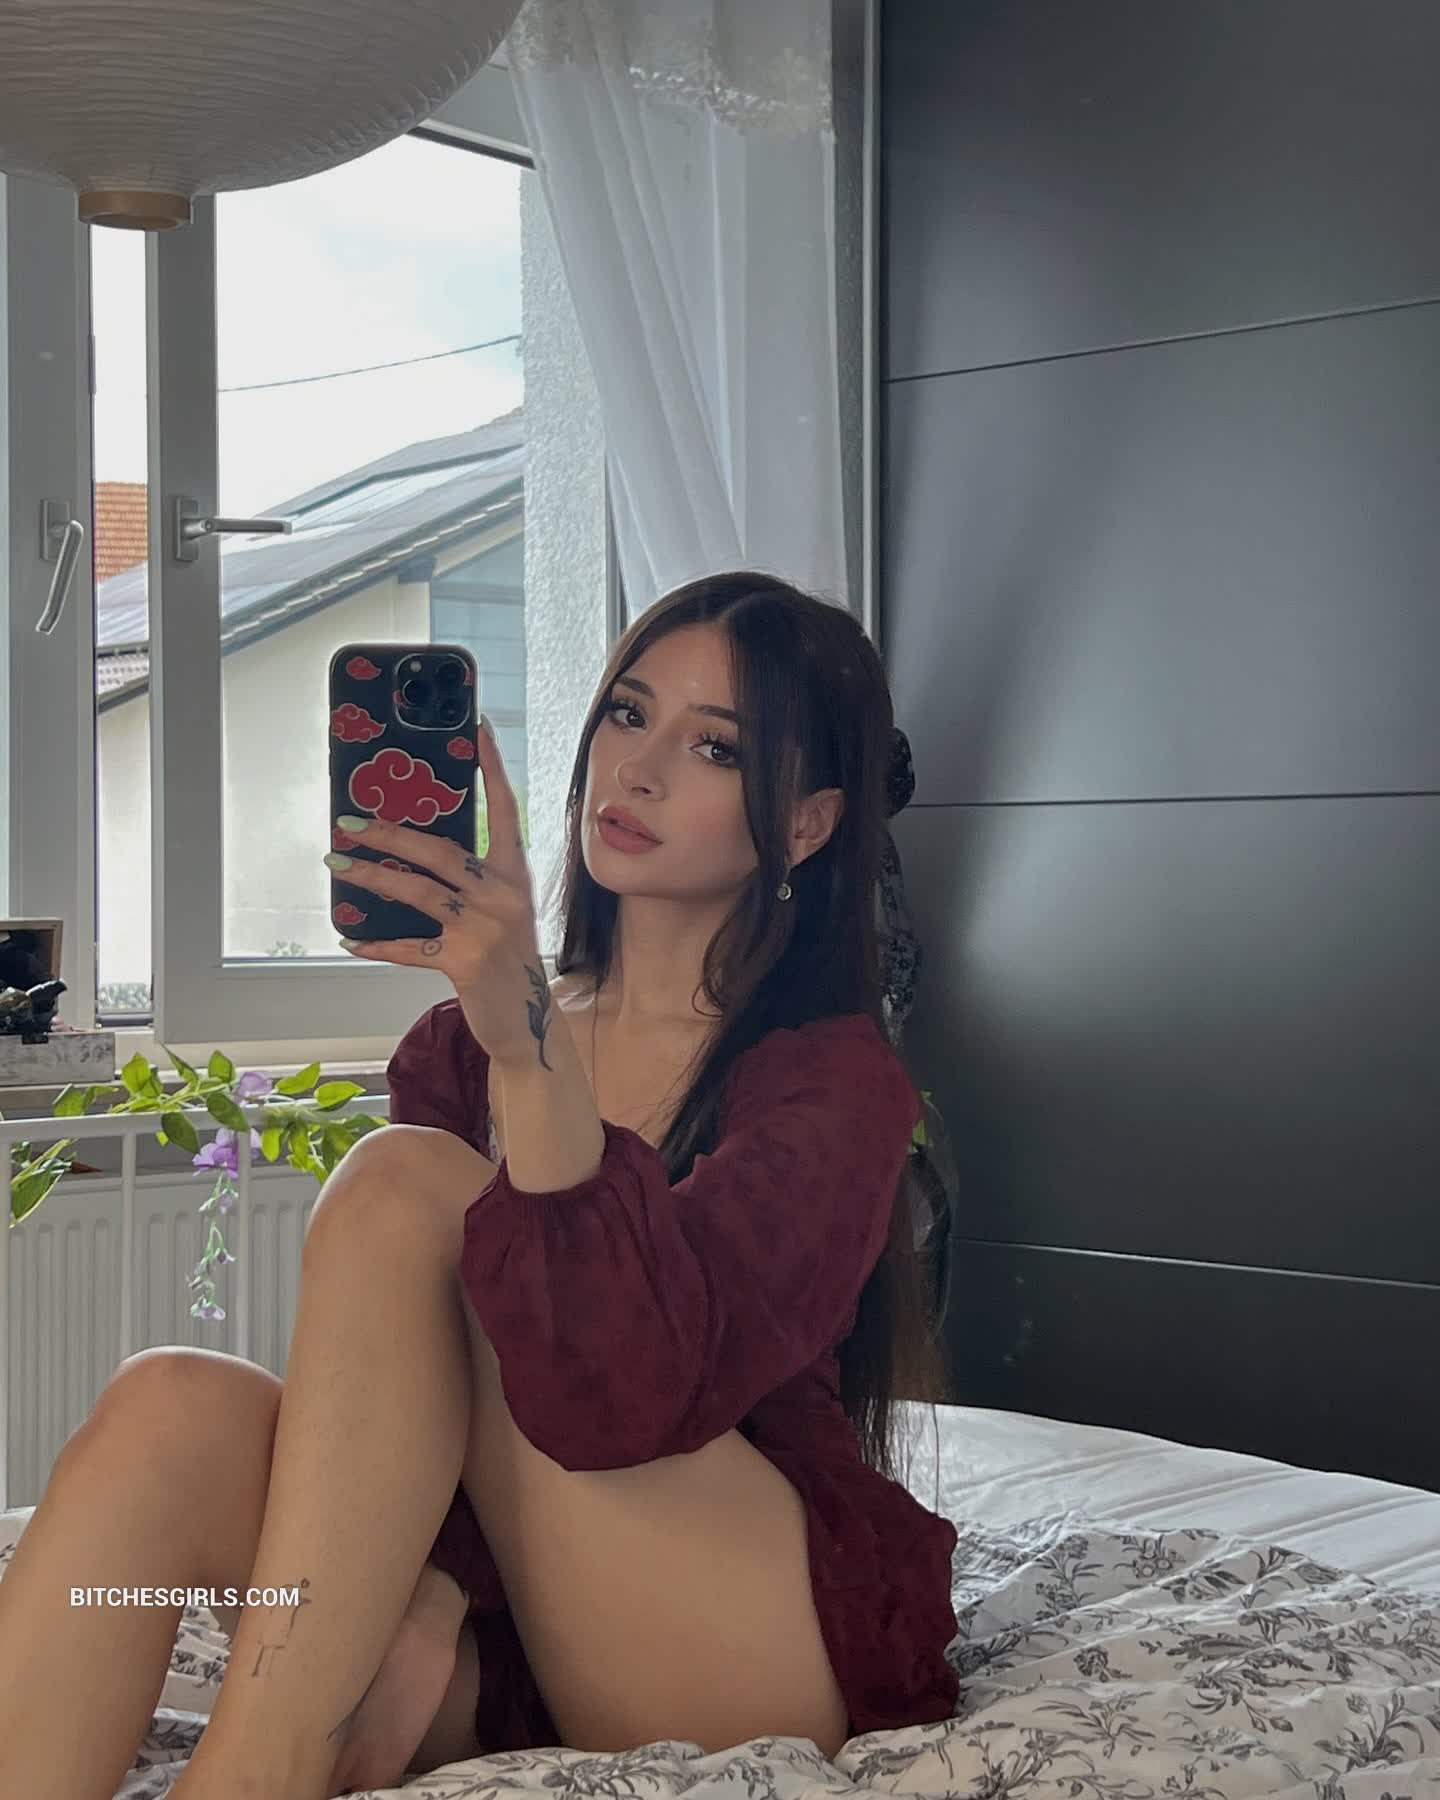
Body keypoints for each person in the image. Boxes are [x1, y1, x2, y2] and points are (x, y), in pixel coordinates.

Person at [0, 570, 958, 1800]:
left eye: (715, 747)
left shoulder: (833, 1083)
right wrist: (431, 1594)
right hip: (519, 1642)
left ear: (809, 825)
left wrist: (530, 1051)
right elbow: (413, 1401)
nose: (639, 769)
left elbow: (630, 1397)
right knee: (167, 1407)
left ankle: (250, 1778)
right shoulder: (454, 1053)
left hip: (733, 1636)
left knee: (414, 1184)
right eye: (628, 714)